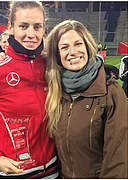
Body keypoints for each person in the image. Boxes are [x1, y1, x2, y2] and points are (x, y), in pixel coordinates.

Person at [0, 2, 58, 178]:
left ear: (44, 29)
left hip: (53, 171)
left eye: (37, 27)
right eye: (23, 26)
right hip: (13, 174)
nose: (31, 34)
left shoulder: (51, 65)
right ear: (10, 28)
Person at [45, 19, 127, 178]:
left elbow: (118, 160)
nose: (72, 52)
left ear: (88, 46)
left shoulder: (111, 92)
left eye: (78, 44)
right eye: (64, 47)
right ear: (58, 54)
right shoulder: (56, 90)